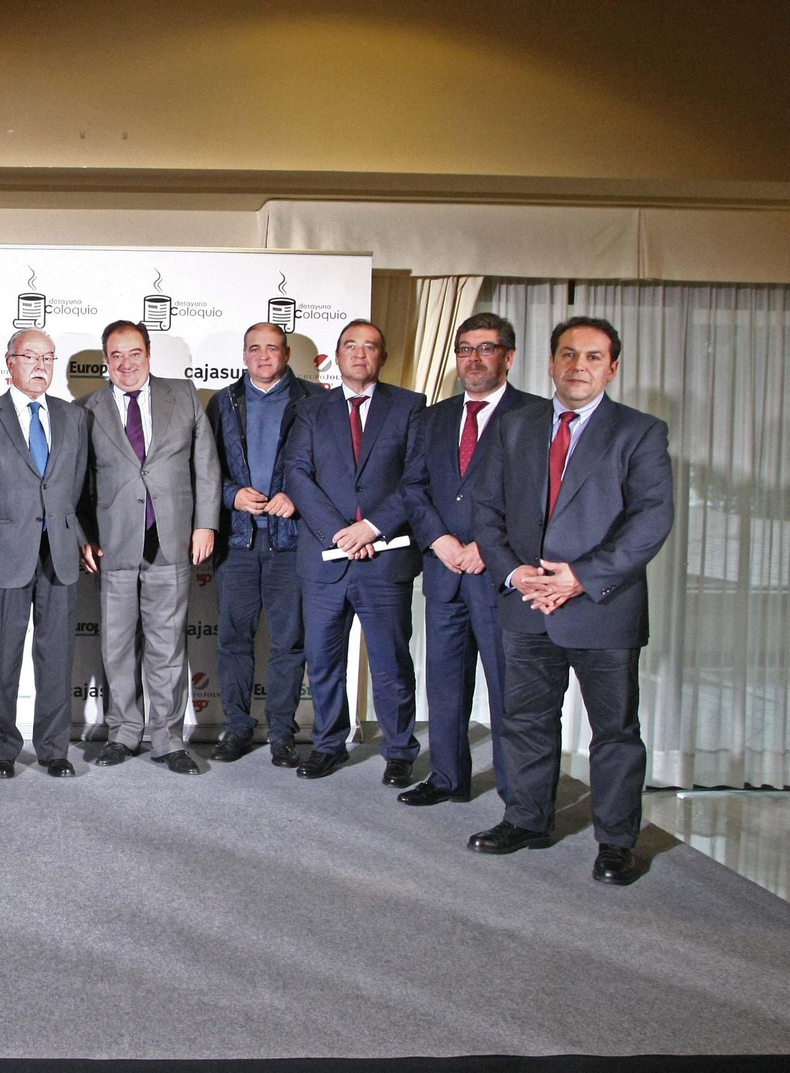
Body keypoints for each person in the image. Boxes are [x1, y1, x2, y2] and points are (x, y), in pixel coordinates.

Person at [470, 317, 673, 885]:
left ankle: (615, 843)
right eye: (567, 355)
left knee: (614, 733)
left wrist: (580, 578)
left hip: (602, 608)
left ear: (612, 367)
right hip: (527, 603)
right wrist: (514, 574)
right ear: (551, 362)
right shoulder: (514, 427)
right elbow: (485, 510)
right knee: (526, 720)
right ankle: (528, 819)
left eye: (591, 357)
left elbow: (651, 520)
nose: (577, 367)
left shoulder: (640, 431)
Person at [399, 312, 546, 807]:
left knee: (510, 692)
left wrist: (489, 548)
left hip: (500, 577)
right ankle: (447, 779)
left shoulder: (537, 416)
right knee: (444, 684)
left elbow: (540, 497)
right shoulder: (433, 417)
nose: (474, 358)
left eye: (485, 348)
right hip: (444, 573)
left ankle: (516, 795)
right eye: (465, 349)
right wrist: (438, 539)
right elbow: (414, 487)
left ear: (508, 356)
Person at [283, 319, 426, 784]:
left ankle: (400, 749)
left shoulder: (410, 407)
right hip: (325, 559)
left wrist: (371, 527)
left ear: (382, 357)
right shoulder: (310, 409)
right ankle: (328, 744)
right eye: (350, 345)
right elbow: (298, 475)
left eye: (370, 346)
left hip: (386, 556)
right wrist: (341, 534)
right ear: (337, 355)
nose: (359, 353)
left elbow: (416, 480)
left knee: (390, 661)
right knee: (323, 659)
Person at [79, 320, 221, 775]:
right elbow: (77, 483)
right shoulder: (88, 409)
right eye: (116, 355)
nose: (125, 364)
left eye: (133, 353)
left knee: (166, 646)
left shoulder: (184, 396)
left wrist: (205, 525)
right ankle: (122, 732)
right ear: (106, 359)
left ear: (149, 352)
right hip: (114, 545)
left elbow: (206, 467)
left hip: (172, 541)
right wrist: (84, 537)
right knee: (117, 647)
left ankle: (167, 738)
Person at [0, 329, 89, 778]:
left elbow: (76, 485)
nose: (40, 365)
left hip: (60, 555)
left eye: (48, 357)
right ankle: (1, 749)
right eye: (30, 356)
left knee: (56, 656)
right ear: (9, 361)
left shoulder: (73, 418)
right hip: (3, 552)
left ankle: (53, 749)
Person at [204, 322, 323, 767]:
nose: (263, 356)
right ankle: (235, 728)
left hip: (291, 542)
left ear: (287, 353)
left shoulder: (314, 400)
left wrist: (298, 498)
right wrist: (231, 494)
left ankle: (281, 734)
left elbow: (329, 468)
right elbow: (204, 469)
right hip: (236, 540)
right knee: (234, 638)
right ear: (244, 353)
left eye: (271, 348)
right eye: (254, 348)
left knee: (289, 641)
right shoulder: (223, 402)